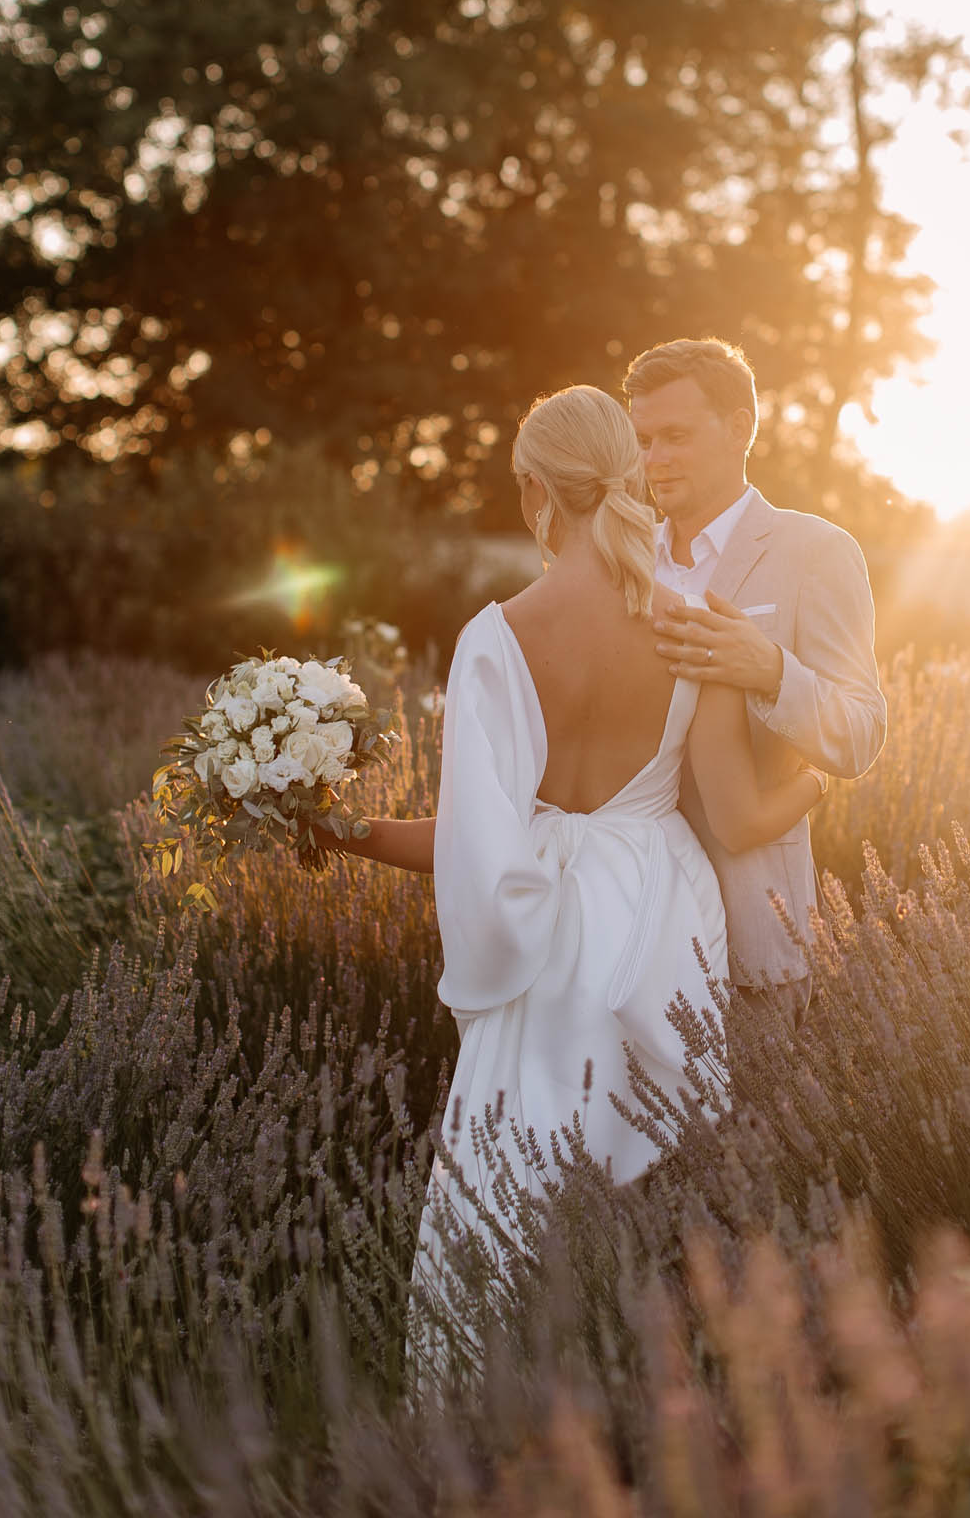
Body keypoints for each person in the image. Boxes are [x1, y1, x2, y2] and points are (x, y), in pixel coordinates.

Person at [327, 384, 825, 1369]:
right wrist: (811, 784)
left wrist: (349, 830)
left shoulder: (498, 637)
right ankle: (665, 1380)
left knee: (519, 1161)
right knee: (662, 1163)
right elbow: (734, 815)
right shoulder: (697, 623)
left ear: (534, 491)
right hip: (662, 918)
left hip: (545, 927)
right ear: (631, 476)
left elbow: (480, 843)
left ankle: (493, 1390)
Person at [625, 337, 887, 1026]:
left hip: (754, 937)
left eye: (674, 436)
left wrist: (770, 671)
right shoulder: (619, 566)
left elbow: (859, 734)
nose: (653, 460)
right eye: (643, 439)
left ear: (741, 426)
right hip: (628, 938)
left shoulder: (816, 553)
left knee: (759, 1135)